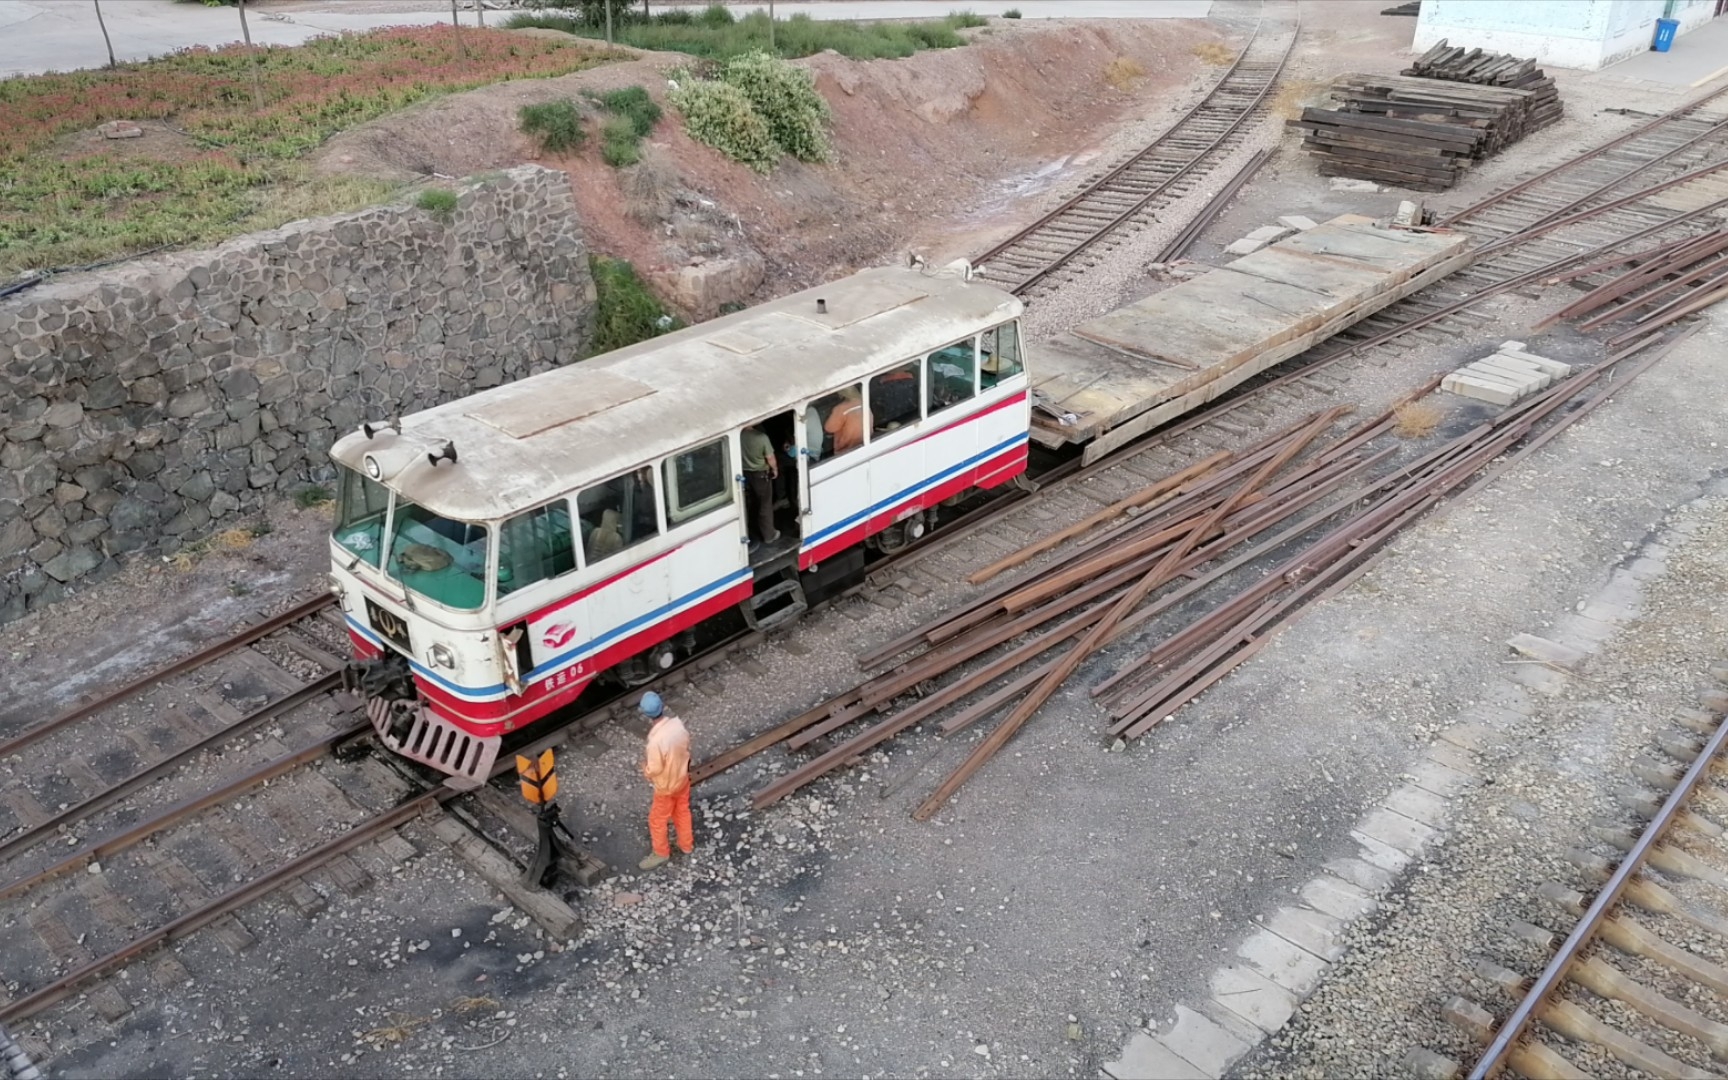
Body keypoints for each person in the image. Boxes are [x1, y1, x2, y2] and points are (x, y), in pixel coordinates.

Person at [638, 691, 693, 870]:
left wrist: (645, 769)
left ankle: (661, 853)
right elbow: (686, 745)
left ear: (646, 715)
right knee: (682, 811)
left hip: (665, 787)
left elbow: (655, 769)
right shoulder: (678, 726)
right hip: (682, 778)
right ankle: (686, 845)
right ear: (662, 707)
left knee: (656, 819)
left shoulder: (655, 742)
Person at [740, 423, 779, 550]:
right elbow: (770, 457)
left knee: (751, 502)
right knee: (765, 504)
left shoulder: (739, 436)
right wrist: (775, 469)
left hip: (745, 474)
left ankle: (750, 527)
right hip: (761, 475)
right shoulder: (761, 437)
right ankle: (769, 535)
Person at [824, 386, 865, 454]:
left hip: (846, 449)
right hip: (863, 443)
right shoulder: (862, 402)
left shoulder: (841, 409)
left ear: (841, 394)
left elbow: (829, 428)